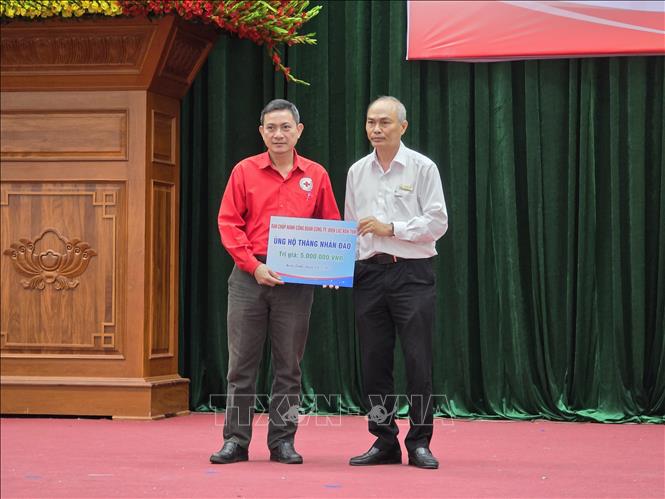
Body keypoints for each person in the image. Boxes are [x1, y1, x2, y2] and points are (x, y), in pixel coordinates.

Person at [212, 99, 340, 465]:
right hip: (248, 277)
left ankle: (283, 441)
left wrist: (330, 267)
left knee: (289, 366)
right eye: (271, 128)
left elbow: (330, 224)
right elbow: (228, 223)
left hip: (295, 283)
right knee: (241, 365)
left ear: (299, 131)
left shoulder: (316, 174)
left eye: (285, 127)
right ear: (261, 132)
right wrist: (253, 266)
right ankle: (235, 441)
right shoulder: (244, 171)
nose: (278, 134)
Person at [345, 96, 448, 469]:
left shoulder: (422, 168)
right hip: (369, 274)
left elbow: (438, 222)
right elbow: (351, 226)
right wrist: (336, 268)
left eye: (384, 122)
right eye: (370, 122)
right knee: (374, 361)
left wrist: (393, 228)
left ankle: (420, 441)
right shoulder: (357, 171)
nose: (376, 129)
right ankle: (384, 439)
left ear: (403, 126)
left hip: (412, 274)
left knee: (418, 361)